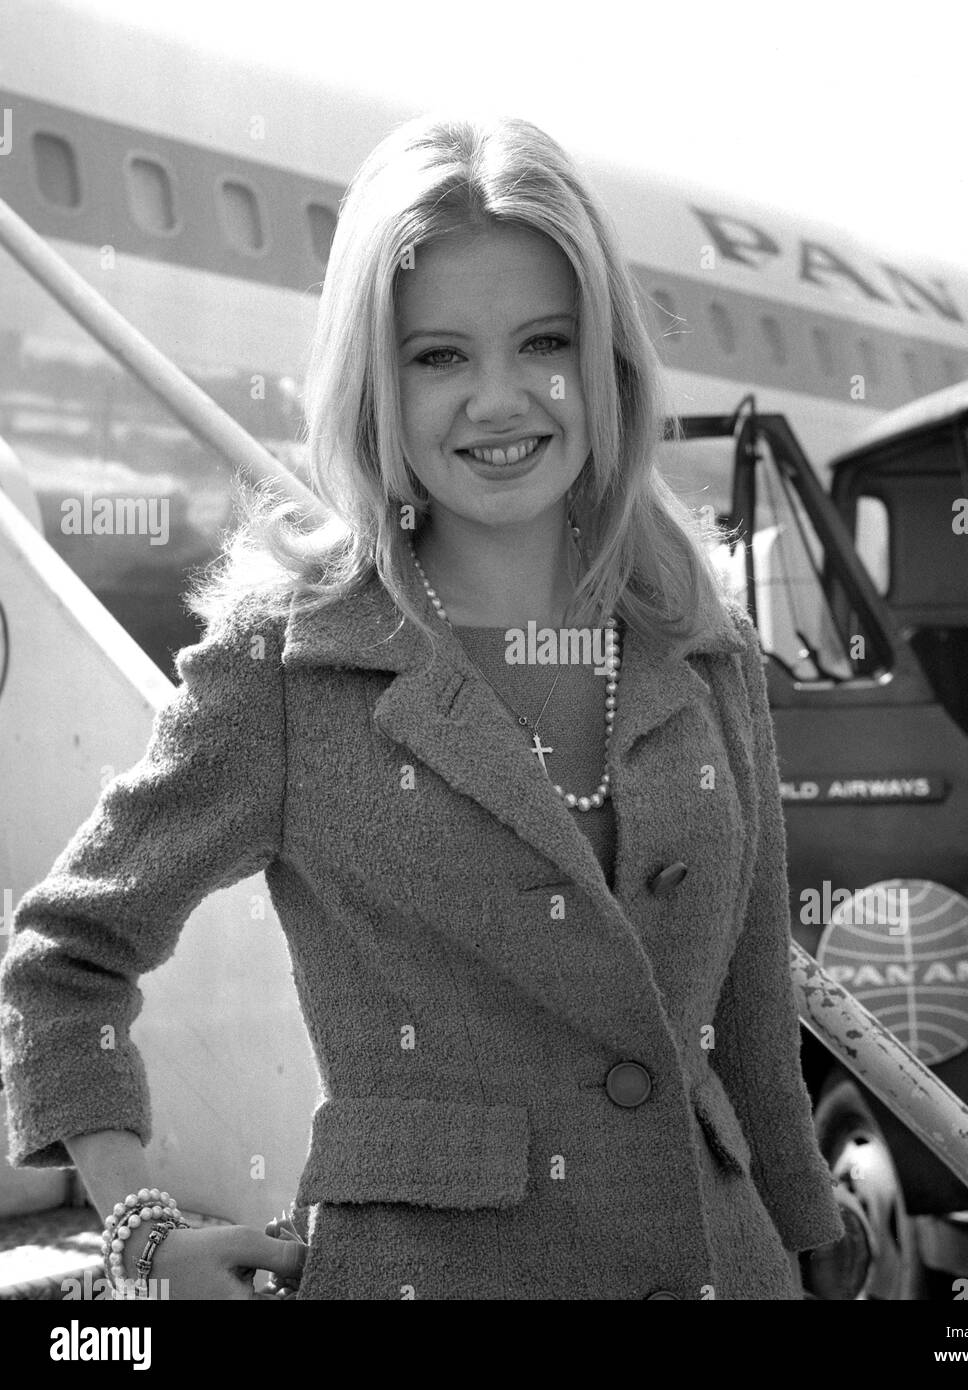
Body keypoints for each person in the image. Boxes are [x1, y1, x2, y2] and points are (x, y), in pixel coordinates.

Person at [0, 110, 844, 1299]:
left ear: (607, 365)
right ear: (373, 381)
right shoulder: (287, 663)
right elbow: (69, 953)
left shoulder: (706, 651)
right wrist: (142, 1234)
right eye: (438, 355)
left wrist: (807, 1249)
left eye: (544, 342)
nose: (500, 400)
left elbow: (755, 1022)